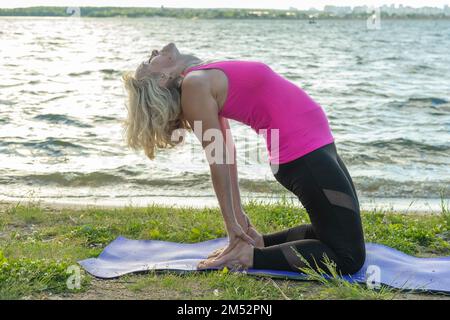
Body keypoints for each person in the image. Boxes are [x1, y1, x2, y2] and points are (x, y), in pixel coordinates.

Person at [122, 42, 366, 275]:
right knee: (348, 258)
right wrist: (231, 226)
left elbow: (229, 153)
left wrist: (241, 221)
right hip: (304, 158)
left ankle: (255, 244)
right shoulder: (194, 86)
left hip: (319, 149)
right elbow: (218, 158)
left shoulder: (200, 74)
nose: (153, 51)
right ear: (162, 78)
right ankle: (247, 257)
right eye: (148, 60)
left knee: (334, 235)